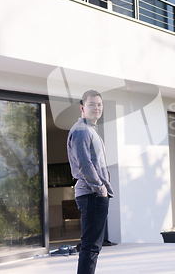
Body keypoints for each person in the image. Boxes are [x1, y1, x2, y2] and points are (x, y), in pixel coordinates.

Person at [67, 90, 114, 274]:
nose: (96, 108)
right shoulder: (81, 130)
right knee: (90, 247)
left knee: (93, 247)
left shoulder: (91, 130)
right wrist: (100, 188)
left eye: (99, 104)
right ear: (82, 107)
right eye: (91, 104)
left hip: (94, 194)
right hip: (92, 194)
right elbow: (84, 163)